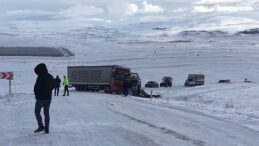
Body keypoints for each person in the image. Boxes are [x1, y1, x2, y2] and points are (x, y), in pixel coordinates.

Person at [34, 63, 54, 134]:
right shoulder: (50, 76)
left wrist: (36, 95)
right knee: (46, 113)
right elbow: (53, 85)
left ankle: (41, 126)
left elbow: (36, 88)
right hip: (48, 98)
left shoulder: (40, 77)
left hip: (40, 99)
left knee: (37, 112)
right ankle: (47, 129)